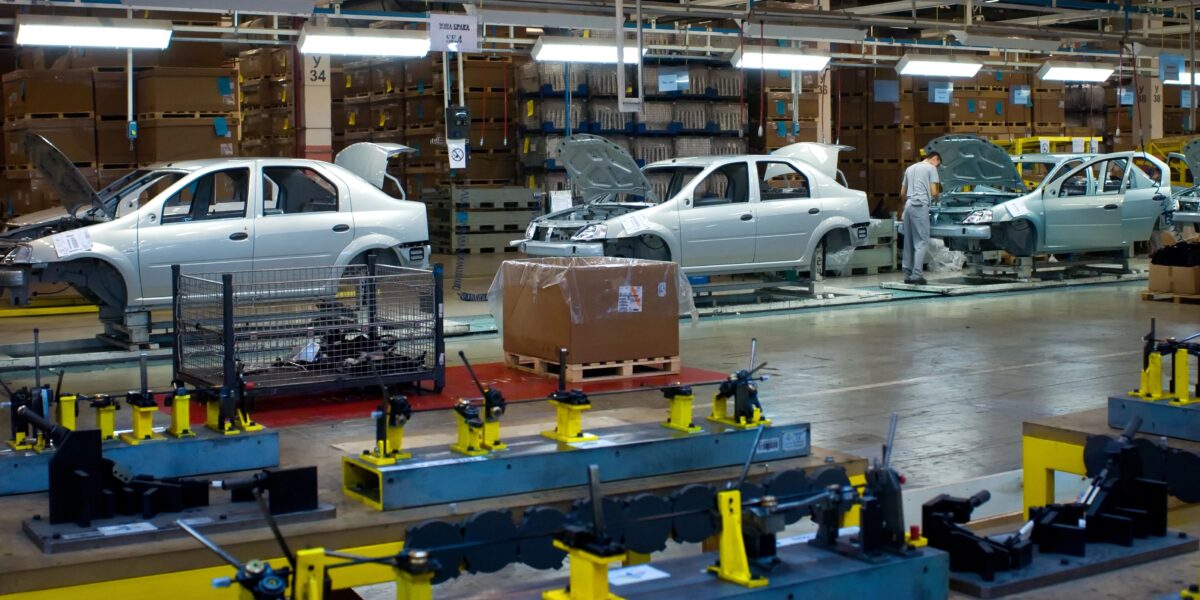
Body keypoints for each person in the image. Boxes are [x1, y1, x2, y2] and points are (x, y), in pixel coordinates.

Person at [899, 151, 942, 285]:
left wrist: (904, 209)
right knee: (921, 241)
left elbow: (901, 193)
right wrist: (939, 198)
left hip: (909, 205)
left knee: (909, 241)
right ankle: (916, 276)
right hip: (920, 205)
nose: (938, 167)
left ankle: (907, 274)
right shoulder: (931, 168)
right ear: (935, 159)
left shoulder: (910, 168)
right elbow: (934, 191)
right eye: (938, 164)